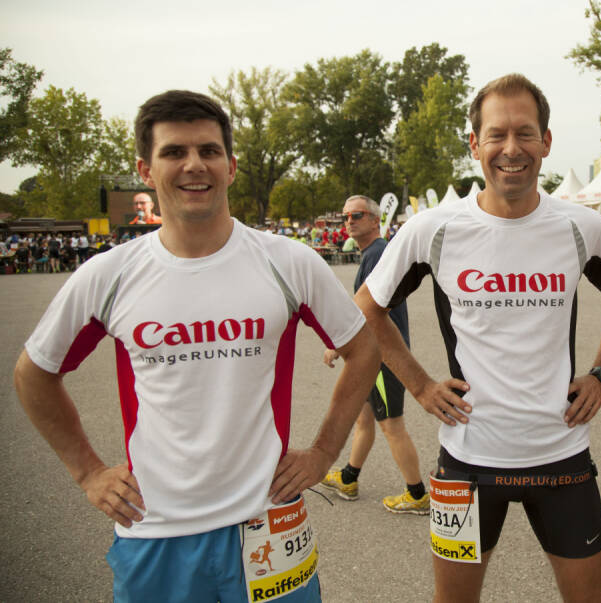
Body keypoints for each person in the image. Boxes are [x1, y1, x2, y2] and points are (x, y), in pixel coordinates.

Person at [13, 90, 380, 602]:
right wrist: (89, 472)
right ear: (145, 170)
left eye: (209, 151)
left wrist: (323, 452)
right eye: (174, 152)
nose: (194, 165)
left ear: (231, 166)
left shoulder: (288, 262)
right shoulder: (110, 275)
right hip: (155, 531)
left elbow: (364, 349)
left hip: (268, 522)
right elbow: (33, 373)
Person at [345, 73, 601, 602]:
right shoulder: (433, 229)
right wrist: (419, 384)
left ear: (546, 142)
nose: (511, 148)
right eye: (496, 134)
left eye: (525, 133)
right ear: (475, 144)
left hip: (562, 456)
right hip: (467, 459)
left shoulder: (581, 226)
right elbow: (366, 308)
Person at [321, 194, 429, 515]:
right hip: (372, 357)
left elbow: (364, 310)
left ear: (374, 219)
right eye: (345, 216)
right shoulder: (373, 252)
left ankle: (417, 494)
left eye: (356, 215)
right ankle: (349, 478)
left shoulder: (378, 253)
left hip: (383, 357)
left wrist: (338, 345)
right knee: (364, 418)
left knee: (391, 425)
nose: (349, 221)